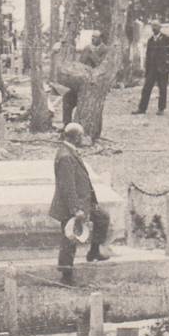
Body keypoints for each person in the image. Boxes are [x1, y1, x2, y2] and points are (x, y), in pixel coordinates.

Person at [49, 123, 110, 284]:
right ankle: (66, 275)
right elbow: (67, 187)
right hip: (71, 206)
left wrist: (92, 202)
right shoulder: (65, 156)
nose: (84, 138)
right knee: (69, 238)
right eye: (82, 136)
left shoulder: (69, 151)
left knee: (102, 217)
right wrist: (76, 209)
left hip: (84, 202)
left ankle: (94, 251)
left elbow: (83, 180)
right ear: (75, 137)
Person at [62, 31, 108, 125]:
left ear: (101, 38)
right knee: (67, 98)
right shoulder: (88, 48)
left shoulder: (105, 50)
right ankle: (67, 125)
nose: (92, 39)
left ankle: (82, 125)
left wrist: (92, 53)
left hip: (94, 84)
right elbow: (81, 63)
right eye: (92, 36)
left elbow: (101, 66)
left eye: (95, 37)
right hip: (82, 81)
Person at [133, 19, 169, 115]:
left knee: (162, 89)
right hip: (152, 69)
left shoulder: (166, 39)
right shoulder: (150, 40)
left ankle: (161, 109)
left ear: (160, 27)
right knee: (146, 88)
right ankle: (142, 108)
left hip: (162, 69)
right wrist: (147, 69)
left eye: (156, 26)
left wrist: (168, 63)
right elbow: (148, 55)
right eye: (152, 26)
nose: (154, 28)